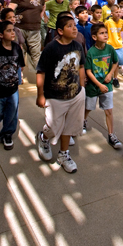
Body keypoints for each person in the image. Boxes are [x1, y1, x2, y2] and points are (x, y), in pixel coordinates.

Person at [34, 15, 87, 173]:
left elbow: (81, 66)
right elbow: (41, 72)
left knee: (69, 127)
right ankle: (43, 137)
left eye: (74, 25)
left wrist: (82, 88)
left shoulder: (77, 46)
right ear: (60, 31)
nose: (74, 28)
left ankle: (64, 155)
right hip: (55, 97)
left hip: (76, 94)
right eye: (69, 26)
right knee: (53, 127)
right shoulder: (51, 48)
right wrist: (40, 95)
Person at [84, 22, 123, 150]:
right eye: (102, 33)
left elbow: (115, 62)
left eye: (106, 32)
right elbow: (88, 71)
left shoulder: (110, 49)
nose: (105, 35)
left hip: (107, 85)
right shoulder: (91, 52)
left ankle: (111, 135)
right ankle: (82, 121)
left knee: (109, 110)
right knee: (88, 107)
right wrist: (98, 84)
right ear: (94, 37)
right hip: (93, 86)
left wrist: (111, 74)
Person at [0, 19, 25, 150]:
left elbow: (20, 65)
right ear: (0, 34)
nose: (12, 33)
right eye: (9, 31)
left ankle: (7, 133)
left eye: (13, 30)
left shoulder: (16, 48)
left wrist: (19, 77)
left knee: (12, 112)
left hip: (12, 88)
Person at [7, 0, 45, 68]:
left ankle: (40, 78)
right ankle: (18, 76)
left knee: (36, 54)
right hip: (20, 28)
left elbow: (43, 6)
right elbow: (10, 9)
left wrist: (40, 16)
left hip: (35, 29)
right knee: (19, 53)